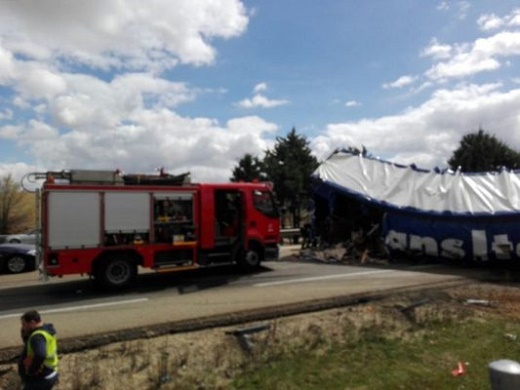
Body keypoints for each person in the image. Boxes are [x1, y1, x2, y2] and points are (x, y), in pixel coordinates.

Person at [18, 310, 58, 390]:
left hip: (41, 378)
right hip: (48, 374)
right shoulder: (46, 330)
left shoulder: (38, 337)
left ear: (32, 323)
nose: (23, 327)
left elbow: (40, 354)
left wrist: (31, 371)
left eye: (24, 324)